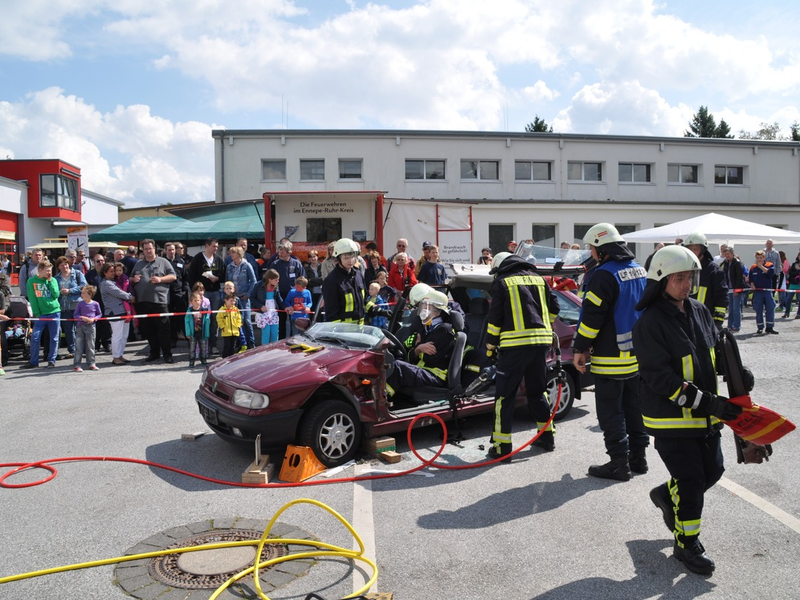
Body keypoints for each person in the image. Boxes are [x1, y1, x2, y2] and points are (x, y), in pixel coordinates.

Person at [632, 245, 743, 575]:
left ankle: (667, 497)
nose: (686, 284)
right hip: (671, 420)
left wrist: (737, 372)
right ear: (661, 281)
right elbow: (662, 379)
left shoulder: (699, 310)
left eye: (690, 277)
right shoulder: (649, 323)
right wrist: (711, 403)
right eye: (678, 278)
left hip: (705, 416)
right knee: (692, 482)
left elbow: (713, 352)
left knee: (713, 471)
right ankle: (686, 544)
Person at [573, 223, 649, 481]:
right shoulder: (639, 270)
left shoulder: (603, 275)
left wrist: (580, 347)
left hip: (610, 357)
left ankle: (618, 464)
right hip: (636, 355)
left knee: (611, 412)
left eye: (592, 248)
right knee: (634, 408)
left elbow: (591, 319)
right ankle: (638, 459)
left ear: (602, 249)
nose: (591, 253)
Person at [485, 252, 560, 460]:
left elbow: (495, 319)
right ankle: (547, 437)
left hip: (514, 347)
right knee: (538, 392)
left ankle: (502, 447)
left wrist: (490, 346)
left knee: (505, 396)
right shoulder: (539, 279)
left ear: (499, 267)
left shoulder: (502, 282)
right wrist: (545, 325)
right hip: (541, 345)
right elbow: (555, 307)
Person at [385, 289, 455, 397]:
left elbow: (429, 358)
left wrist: (417, 348)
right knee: (390, 363)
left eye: (427, 306)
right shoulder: (425, 327)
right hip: (423, 371)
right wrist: (419, 349)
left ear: (437, 311)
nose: (423, 309)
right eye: (423, 305)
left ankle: (382, 399)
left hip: (435, 376)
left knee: (398, 366)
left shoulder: (444, 330)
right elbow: (411, 357)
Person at [130, 239, 177, 363]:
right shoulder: (138, 264)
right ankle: (154, 353)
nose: (148, 251)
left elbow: (173, 276)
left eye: (150, 248)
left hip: (160, 301)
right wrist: (133, 279)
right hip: (142, 301)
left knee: (164, 329)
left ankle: (167, 354)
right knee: (148, 329)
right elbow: (130, 279)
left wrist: (161, 279)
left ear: (154, 249)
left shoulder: (163, 262)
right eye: (145, 249)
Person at [682, 233, 728, 330]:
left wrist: (717, 322)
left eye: (695, 249)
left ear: (703, 250)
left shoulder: (714, 271)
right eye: (690, 249)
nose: (692, 252)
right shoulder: (682, 268)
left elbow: (721, 298)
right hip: (685, 317)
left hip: (705, 319)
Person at [188, 238, 225, 353]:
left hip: (215, 293)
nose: (216, 248)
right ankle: (202, 346)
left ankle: (213, 345)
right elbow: (191, 276)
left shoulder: (218, 259)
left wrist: (217, 278)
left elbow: (223, 274)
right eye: (214, 246)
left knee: (214, 319)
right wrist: (195, 292)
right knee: (201, 319)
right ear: (207, 246)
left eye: (217, 246)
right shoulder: (197, 258)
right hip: (201, 294)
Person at [22, 261, 61, 369]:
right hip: (41, 314)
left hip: (54, 312)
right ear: (40, 270)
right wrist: (37, 313)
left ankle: (51, 360)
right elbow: (32, 298)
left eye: (50, 270)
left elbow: (56, 295)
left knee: (54, 338)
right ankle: (34, 361)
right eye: (47, 271)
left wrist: (50, 282)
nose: (49, 273)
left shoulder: (53, 280)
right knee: (35, 337)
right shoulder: (31, 281)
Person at [322, 238, 366, 324]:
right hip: (344, 330)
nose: (350, 261)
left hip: (360, 329)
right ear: (338, 258)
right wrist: (338, 330)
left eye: (353, 257)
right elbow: (332, 313)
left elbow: (364, 300)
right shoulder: (332, 280)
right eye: (346, 258)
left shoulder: (358, 275)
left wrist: (377, 310)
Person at [267, 239, 305, 338]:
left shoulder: (296, 264)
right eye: (279, 251)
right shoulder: (275, 264)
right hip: (280, 296)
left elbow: (302, 279)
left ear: (289, 252)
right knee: (281, 320)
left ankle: (296, 339)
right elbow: (268, 279)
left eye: (282, 251)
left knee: (295, 320)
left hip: (294, 296)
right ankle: (282, 340)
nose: (280, 253)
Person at [100, 263, 133, 365]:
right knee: (117, 336)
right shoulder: (106, 284)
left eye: (114, 271)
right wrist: (130, 296)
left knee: (124, 336)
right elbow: (119, 293)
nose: (114, 273)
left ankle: (120, 355)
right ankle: (116, 357)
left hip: (123, 311)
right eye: (111, 271)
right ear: (104, 273)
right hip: (114, 312)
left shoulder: (114, 282)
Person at [55, 255, 87, 359]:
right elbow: (54, 291)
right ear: (58, 267)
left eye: (66, 264)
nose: (64, 267)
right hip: (64, 307)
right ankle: (72, 350)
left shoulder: (77, 274)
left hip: (77, 305)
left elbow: (84, 286)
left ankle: (83, 350)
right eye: (62, 265)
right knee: (68, 330)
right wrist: (59, 292)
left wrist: (70, 291)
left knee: (80, 329)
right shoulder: (56, 278)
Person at [225, 246, 257, 349]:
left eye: (233, 253)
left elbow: (253, 281)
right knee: (237, 321)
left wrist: (248, 294)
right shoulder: (229, 267)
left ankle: (251, 342)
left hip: (244, 297)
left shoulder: (247, 265)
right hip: (234, 298)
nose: (231, 255)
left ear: (238, 254)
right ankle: (241, 343)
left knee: (247, 320)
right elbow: (227, 282)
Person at [164, 242, 190, 348]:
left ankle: (188, 338)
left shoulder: (180, 261)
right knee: (170, 318)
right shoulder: (163, 262)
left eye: (173, 250)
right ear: (165, 251)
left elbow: (185, 278)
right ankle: (172, 339)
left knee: (183, 317)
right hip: (167, 294)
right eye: (169, 250)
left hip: (179, 293)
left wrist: (185, 290)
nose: (171, 252)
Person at [85, 254, 111, 353]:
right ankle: (95, 345)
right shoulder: (89, 274)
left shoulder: (108, 273)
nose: (101, 263)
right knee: (95, 325)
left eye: (102, 260)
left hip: (106, 303)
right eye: (98, 261)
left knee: (106, 325)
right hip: (94, 304)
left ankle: (107, 343)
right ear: (93, 263)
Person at [72, 285, 102, 372]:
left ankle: (91, 363)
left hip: (91, 327)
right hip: (80, 327)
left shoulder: (96, 304)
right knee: (79, 346)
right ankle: (77, 364)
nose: (82, 294)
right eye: (82, 293)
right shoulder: (80, 304)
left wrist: (93, 319)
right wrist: (81, 317)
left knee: (90, 346)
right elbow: (75, 315)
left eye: (84, 293)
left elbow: (99, 314)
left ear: (90, 294)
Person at [748, 250, 777, 334]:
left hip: (767, 291)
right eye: (757, 258)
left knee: (770, 308)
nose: (759, 259)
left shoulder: (769, 265)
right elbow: (751, 279)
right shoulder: (753, 267)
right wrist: (752, 285)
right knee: (758, 309)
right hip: (758, 292)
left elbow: (770, 274)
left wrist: (761, 267)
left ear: (764, 258)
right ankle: (760, 327)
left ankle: (769, 327)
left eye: (761, 258)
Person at [251, 269, 283, 345]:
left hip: (273, 313)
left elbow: (279, 299)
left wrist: (286, 307)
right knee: (266, 333)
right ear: (269, 279)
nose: (278, 281)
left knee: (275, 333)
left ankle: (275, 349)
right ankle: (264, 349)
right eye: (276, 280)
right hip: (263, 313)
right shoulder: (258, 285)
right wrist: (260, 306)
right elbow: (252, 297)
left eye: (278, 279)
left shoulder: (275, 287)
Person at [720, 246, 745, 332]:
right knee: (730, 308)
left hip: (736, 289)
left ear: (732, 254)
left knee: (736, 308)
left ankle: (737, 326)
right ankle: (730, 325)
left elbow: (739, 277)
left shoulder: (737, 263)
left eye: (728, 254)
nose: (727, 256)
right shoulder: (726, 262)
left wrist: (736, 289)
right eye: (725, 254)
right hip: (729, 288)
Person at [185, 291, 210, 367]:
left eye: (198, 300)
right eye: (195, 301)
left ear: (201, 300)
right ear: (191, 302)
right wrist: (188, 333)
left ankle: (203, 360)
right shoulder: (189, 311)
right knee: (192, 348)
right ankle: (191, 361)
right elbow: (186, 322)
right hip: (193, 334)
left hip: (202, 333)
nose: (197, 302)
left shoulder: (204, 311)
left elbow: (207, 322)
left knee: (203, 348)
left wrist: (206, 333)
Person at [217, 292, 242, 358]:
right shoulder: (222, 310)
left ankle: (231, 359)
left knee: (232, 346)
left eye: (234, 301)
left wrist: (238, 326)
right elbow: (219, 318)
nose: (233, 302)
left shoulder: (236, 309)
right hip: (226, 332)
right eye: (231, 301)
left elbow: (239, 318)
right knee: (227, 346)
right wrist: (223, 327)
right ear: (226, 300)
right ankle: (224, 358)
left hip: (235, 331)